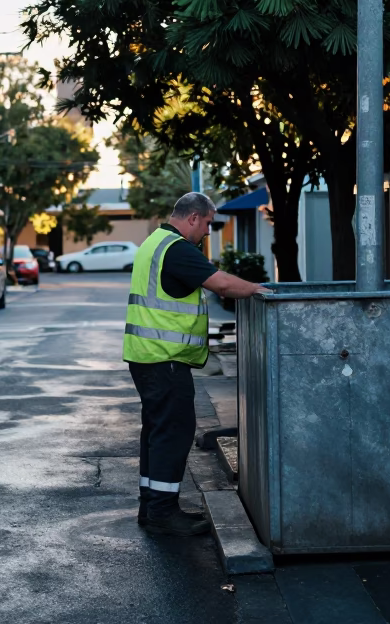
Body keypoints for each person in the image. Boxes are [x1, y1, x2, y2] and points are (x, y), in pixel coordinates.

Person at [123, 192, 271, 536]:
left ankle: (153, 504)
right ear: (192, 217)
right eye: (206, 223)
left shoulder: (154, 243)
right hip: (164, 360)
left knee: (158, 432)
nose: (207, 231)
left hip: (148, 357)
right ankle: (161, 512)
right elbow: (219, 283)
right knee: (172, 432)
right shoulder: (176, 249)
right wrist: (258, 290)